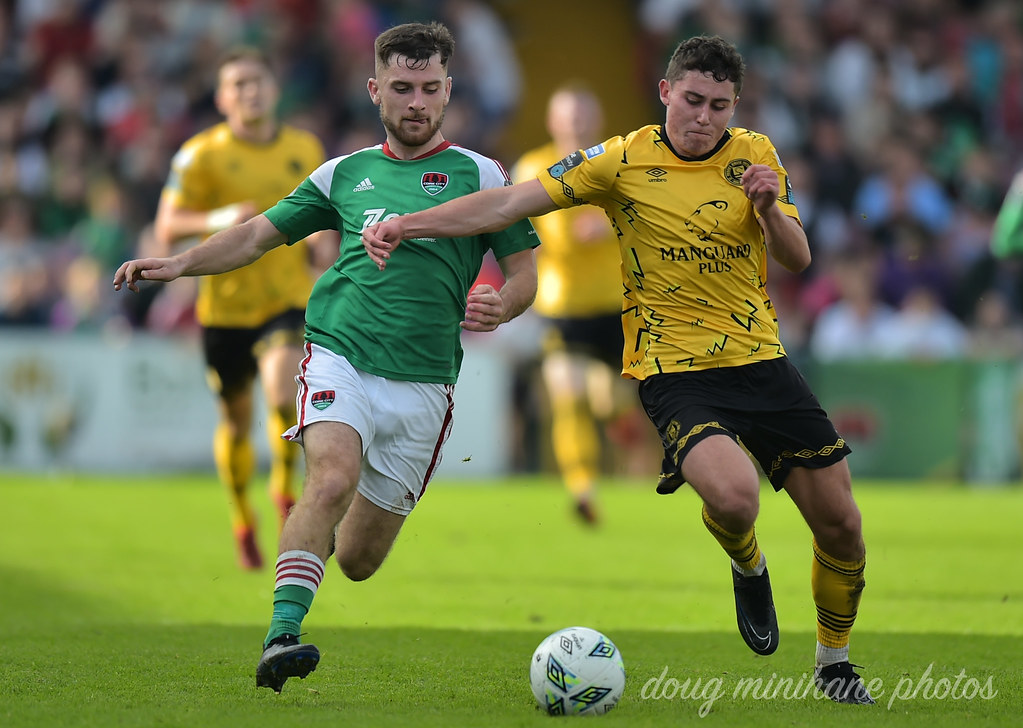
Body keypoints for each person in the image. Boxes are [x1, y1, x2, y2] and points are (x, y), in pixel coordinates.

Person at [364, 35, 874, 705]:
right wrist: (413, 224)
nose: (703, 117)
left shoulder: (755, 154)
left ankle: (833, 663)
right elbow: (508, 203)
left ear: (734, 106)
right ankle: (747, 561)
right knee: (732, 496)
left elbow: (798, 258)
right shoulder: (621, 159)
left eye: (718, 105)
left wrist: (770, 209)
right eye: (691, 100)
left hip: (762, 361)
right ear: (665, 92)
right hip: (673, 369)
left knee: (839, 522)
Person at [115, 21, 537, 694]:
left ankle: (307, 547)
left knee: (362, 560)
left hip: (425, 383)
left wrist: (504, 303)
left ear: (449, 90)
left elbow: (523, 273)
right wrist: (179, 265)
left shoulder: (482, 175)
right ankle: (281, 634)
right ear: (375, 90)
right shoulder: (343, 174)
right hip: (340, 351)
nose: (416, 102)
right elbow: (257, 235)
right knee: (329, 479)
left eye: (429, 88)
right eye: (401, 88)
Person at [152, 46, 331, 570]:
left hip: (286, 300)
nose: (251, 91)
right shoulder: (200, 154)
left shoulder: (305, 147)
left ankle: (282, 494)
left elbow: (321, 212)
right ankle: (241, 517)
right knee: (235, 422)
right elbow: (168, 225)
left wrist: (323, 243)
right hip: (225, 308)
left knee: (282, 393)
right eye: (239, 84)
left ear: (275, 90)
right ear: (222, 97)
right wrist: (225, 213)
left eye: (259, 81)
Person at [510, 82, 646, 524]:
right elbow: (522, 230)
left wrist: (614, 224)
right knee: (566, 394)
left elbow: (648, 219)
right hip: (560, 304)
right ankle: (582, 488)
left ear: (597, 120)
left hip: (615, 305)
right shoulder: (533, 166)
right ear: (553, 122)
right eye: (567, 117)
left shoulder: (620, 163)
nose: (575, 124)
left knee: (608, 400)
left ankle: (622, 428)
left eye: (582, 117)